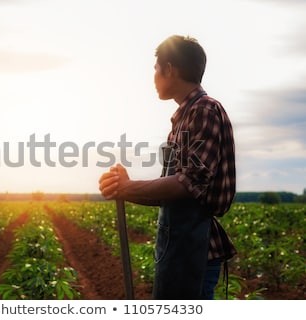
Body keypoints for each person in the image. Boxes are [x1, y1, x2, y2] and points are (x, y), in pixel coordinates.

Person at [98, 35, 237, 299]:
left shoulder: (203, 110)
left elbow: (189, 183)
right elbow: (172, 195)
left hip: (195, 252)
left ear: (170, 69)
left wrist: (129, 187)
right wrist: (126, 188)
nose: (153, 78)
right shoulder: (185, 116)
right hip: (181, 249)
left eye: (155, 69)